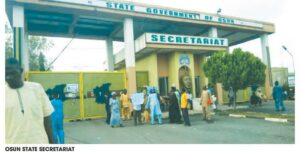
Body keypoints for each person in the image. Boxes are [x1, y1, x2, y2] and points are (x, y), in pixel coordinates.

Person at [5, 58, 54, 144]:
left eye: (12, 73)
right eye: (5, 74)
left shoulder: (36, 88)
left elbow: (46, 117)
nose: (8, 77)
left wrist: (52, 143)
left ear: (21, 71)